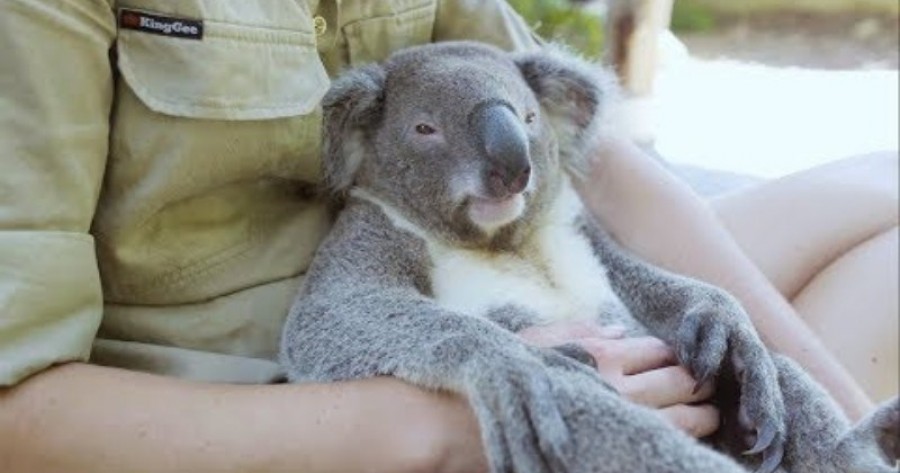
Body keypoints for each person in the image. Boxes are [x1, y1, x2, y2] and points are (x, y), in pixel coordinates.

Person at [0, 1, 895, 472]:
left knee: (883, 207)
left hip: (496, 277)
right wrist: (480, 417)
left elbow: (594, 158)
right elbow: (16, 417)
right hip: (271, 411)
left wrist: (845, 421)